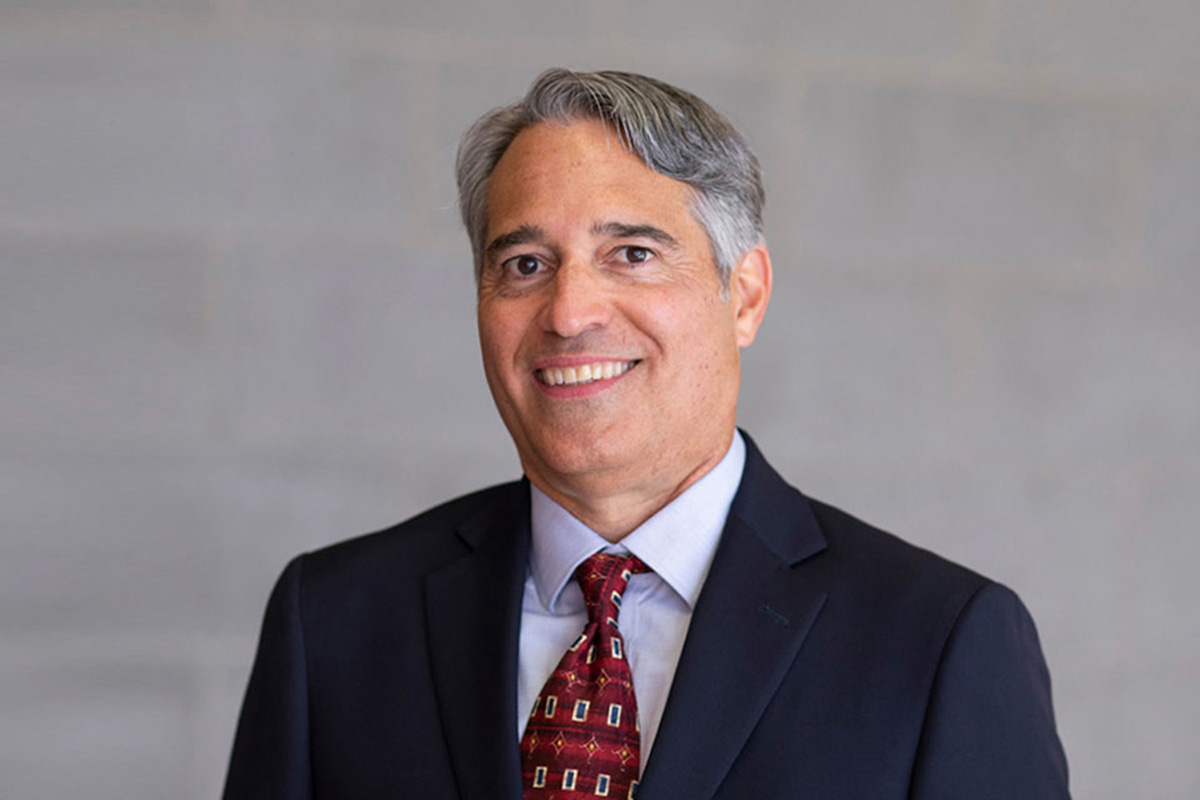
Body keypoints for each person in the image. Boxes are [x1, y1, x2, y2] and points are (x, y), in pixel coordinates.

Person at [223, 68, 1069, 799]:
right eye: (525, 264)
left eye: (630, 253)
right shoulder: (333, 622)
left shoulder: (940, 643)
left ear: (744, 295)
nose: (568, 311)